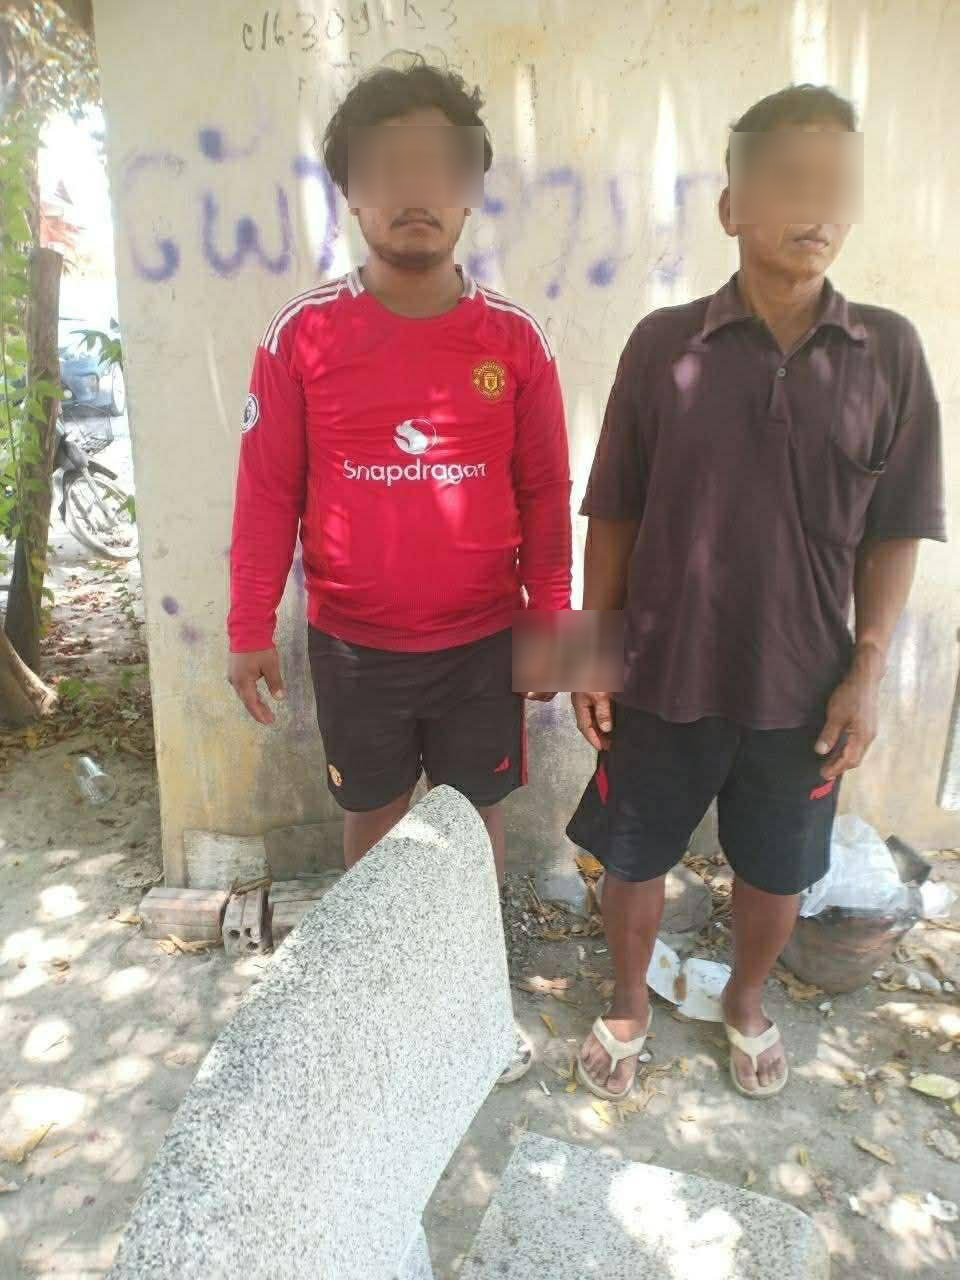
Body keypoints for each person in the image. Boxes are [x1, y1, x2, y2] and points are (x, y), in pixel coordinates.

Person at [569, 84, 946, 1102]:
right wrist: (583, 656)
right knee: (632, 853)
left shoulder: (891, 352)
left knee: (778, 869)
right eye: (788, 181)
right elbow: (611, 511)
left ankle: (744, 999)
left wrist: (868, 672)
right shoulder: (661, 344)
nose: (815, 207)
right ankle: (629, 1000)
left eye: (835, 185)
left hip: (804, 685)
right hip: (658, 670)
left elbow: (897, 530)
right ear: (731, 204)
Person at [226, 64, 572, 1083]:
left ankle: (471, 1007)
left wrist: (555, 624)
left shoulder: (515, 341)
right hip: (354, 646)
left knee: (473, 825)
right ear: (350, 188)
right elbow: (265, 491)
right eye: (388, 168)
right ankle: (379, 1006)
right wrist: (247, 625)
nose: (415, 190)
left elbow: (549, 493)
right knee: (373, 822)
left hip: (483, 645)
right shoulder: (302, 337)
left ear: (470, 188)